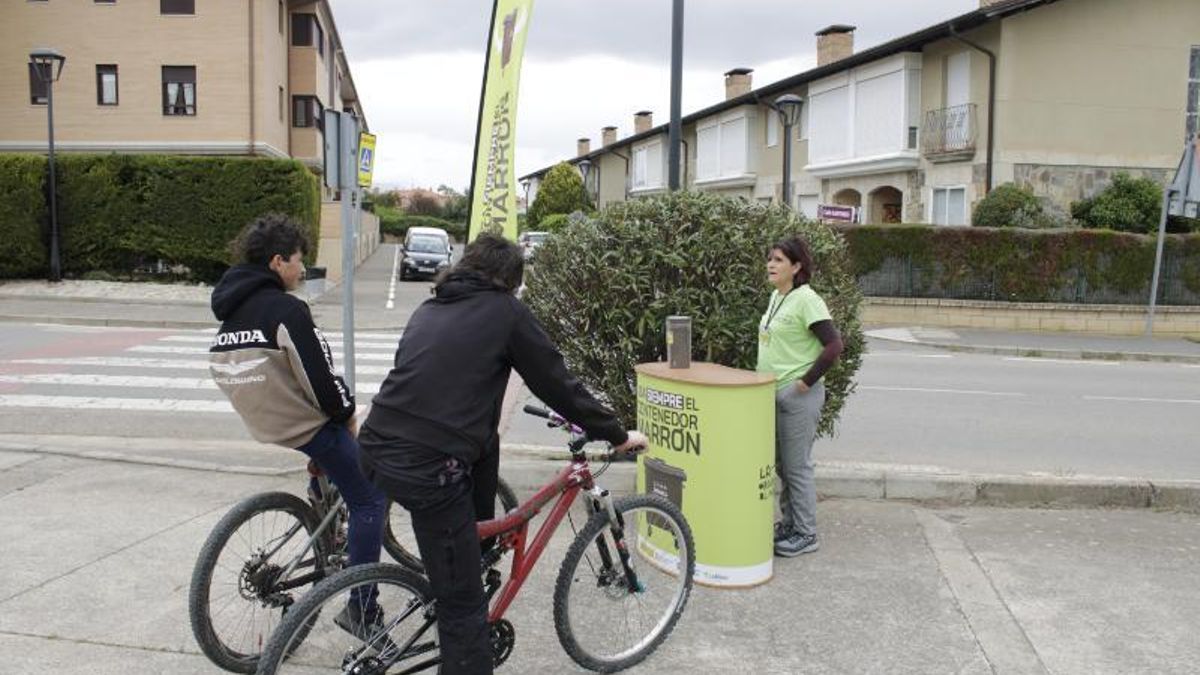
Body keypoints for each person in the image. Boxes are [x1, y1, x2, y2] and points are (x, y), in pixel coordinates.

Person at [358, 233, 647, 675]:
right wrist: (614, 433)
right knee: (464, 609)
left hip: (375, 447)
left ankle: (466, 560)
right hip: (430, 468)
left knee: (456, 554)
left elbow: (457, 406)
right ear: (509, 281)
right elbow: (557, 383)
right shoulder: (505, 312)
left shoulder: (430, 307)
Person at [208, 214, 387, 634]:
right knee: (370, 501)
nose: (302, 268)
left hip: (265, 421)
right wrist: (346, 413)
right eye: (298, 259)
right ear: (277, 262)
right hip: (301, 425)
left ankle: (321, 495)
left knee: (331, 454)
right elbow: (321, 378)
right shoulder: (287, 309)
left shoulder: (232, 311)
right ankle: (362, 610)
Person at [756, 235, 843, 557]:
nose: (771, 264)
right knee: (784, 466)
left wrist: (804, 384)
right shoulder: (777, 297)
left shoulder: (807, 299)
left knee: (797, 468)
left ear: (796, 266)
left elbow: (834, 346)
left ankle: (806, 534)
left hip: (796, 395)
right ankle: (790, 524)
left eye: (778, 260)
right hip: (773, 393)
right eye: (770, 259)